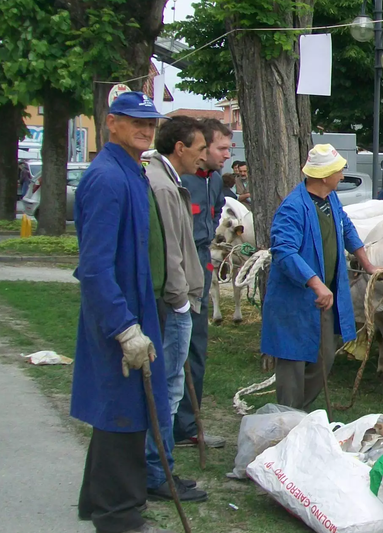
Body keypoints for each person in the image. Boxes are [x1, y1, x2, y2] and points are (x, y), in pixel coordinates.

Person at [72, 91, 174, 533]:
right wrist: (124, 327)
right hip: (119, 314)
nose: (146, 130)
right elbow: (94, 268)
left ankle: (96, 498)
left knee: (126, 404)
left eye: (151, 123)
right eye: (135, 121)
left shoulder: (131, 172)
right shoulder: (107, 178)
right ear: (110, 122)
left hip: (137, 306)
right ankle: (119, 514)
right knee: (124, 410)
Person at [262, 145, 382, 409]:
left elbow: (347, 229)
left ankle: (298, 411)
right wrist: (315, 284)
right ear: (326, 175)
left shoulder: (331, 199)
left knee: (325, 357)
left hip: (324, 297)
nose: (342, 175)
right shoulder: (293, 207)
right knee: (293, 361)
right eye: (339, 170)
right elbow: (284, 251)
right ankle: (288, 418)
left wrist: (368, 264)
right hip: (296, 299)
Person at [141, 116, 209, 503]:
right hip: (173, 304)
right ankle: (158, 470)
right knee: (166, 389)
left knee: (168, 387)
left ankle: (160, 466)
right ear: (179, 148)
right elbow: (170, 249)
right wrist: (181, 299)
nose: (202, 156)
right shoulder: (164, 186)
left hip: (175, 300)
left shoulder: (168, 180)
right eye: (199, 148)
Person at [174, 118, 232, 450]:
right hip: (180, 272)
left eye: (228, 148)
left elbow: (213, 217)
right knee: (174, 349)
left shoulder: (214, 182)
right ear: (202, 147)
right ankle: (169, 427)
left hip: (202, 270)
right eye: (221, 148)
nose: (227, 154)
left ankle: (187, 426)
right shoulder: (180, 179)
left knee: (196, 349)